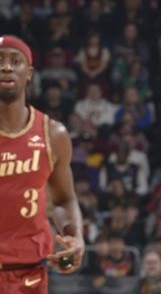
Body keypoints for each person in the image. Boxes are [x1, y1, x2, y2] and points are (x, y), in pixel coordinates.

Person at [0, 35, 85, 292]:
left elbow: (63, 200)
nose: (6, 67)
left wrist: (74, 237)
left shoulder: (53, 134)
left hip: (29, 274)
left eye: (16, 61)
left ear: (29, 73)